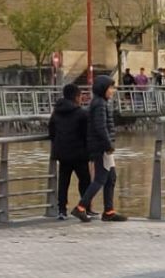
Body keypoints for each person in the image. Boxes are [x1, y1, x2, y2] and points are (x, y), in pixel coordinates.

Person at [79, 74, 129, 222]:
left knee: (111, 177)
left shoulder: (100, 102)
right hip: (101, 147)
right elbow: (101, 127)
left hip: (102, 146)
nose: (112, 91)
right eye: (110, 88)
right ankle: (81, 207)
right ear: (103, 89)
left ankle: (109, 211)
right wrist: (108, 145)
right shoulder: (100, 104)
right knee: (101, 178)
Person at [49, 80, 94, 221]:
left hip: (62, 152)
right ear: (76, 97)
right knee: (85, 180)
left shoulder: (56, 112)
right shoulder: (81, 113)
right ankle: (85, 207)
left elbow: (51, 131)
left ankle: (62, 210)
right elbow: (87, 133)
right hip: (79, 153)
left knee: (63, 181)